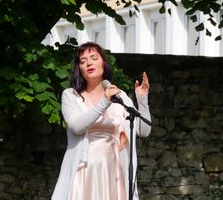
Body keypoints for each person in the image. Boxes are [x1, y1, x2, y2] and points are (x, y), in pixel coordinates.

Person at [51, 42, 151, 200]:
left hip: (114, 169)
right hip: (85, 169)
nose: (89, 63)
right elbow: (77, 127)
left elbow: (143, 130)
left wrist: (142, 100)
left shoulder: (120, 96)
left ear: (103, 63)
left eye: (93, 58)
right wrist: (104, 102)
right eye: (83, 61)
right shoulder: (71, 95)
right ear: (79, 69)